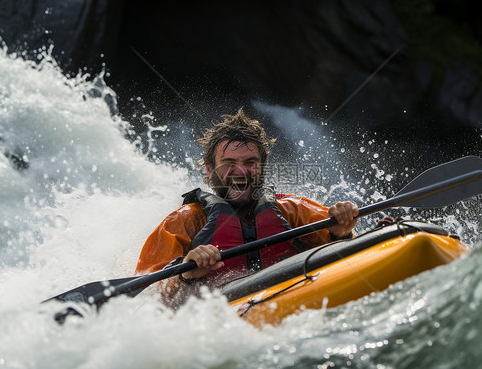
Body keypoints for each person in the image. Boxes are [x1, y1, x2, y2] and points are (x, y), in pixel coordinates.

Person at [135, 108, 359, 307]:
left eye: (250, 162)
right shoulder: (183, 222)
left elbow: (347, 259)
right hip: (220, 320)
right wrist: (185, 273)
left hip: (296, 297)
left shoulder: (294, 210)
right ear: (210, 170)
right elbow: (148, 296)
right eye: (229, 163)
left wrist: (342, 233)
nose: (241, 172)